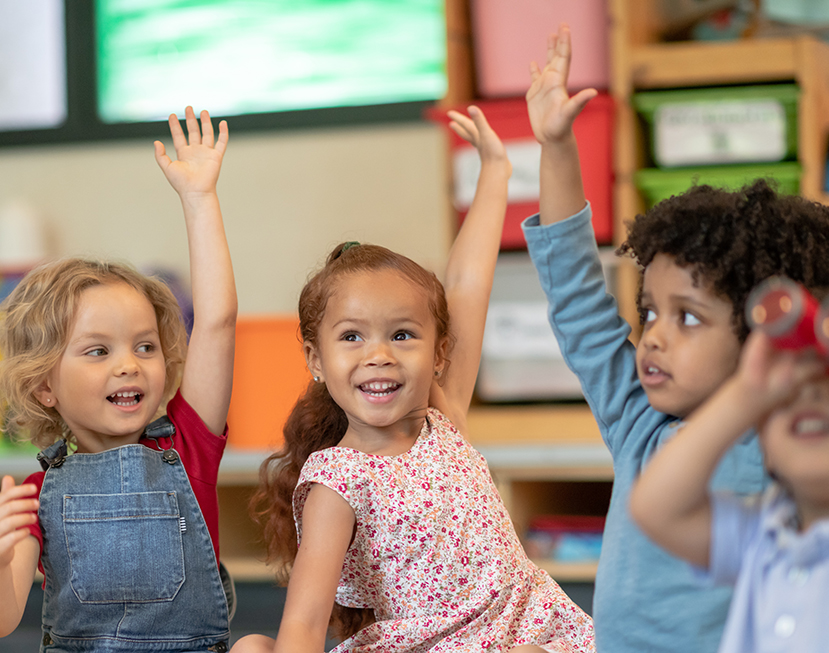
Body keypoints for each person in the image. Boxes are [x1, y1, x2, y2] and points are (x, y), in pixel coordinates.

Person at [522, 24, 829, 653]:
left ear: (763, 338)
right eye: (650, 314)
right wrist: (556, 146)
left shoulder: (785, 434)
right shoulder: (637, 421)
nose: (654, 339)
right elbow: (579, 303)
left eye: (688, 317)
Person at [233, 106, 595, 653]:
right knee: (252, 649)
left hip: (526, 640)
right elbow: (304, 625)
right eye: (352, 337)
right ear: (315, 358)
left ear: (439, 353)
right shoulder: (337, 480)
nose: (379, 355)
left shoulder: (441, 419)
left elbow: (468, 283)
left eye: (402, 336)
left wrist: (494, 173)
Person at [0, 107, 238, 652]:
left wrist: (200, 199)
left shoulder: (189, 447)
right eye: (97, 351)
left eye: (145, 346)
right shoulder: (36, 495)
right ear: (46, 385)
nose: (128, 364)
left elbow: (218, 322)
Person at [630, 301, 829, 652]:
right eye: (789, 393)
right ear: (763, 443)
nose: (812, 392)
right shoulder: (764, 534)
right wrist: (747, 392)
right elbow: (655, 508)